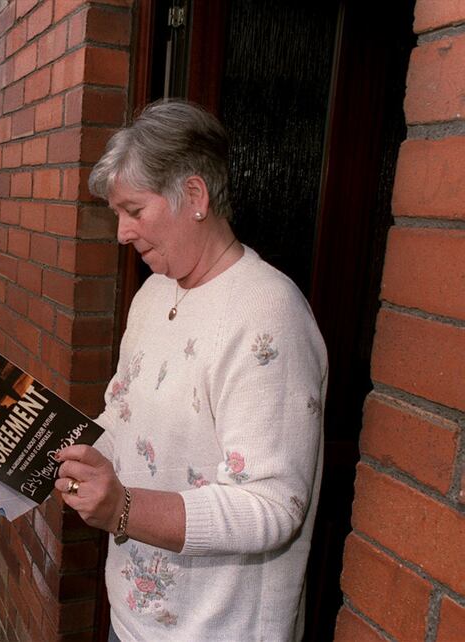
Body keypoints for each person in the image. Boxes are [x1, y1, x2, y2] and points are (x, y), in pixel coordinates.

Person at [54, 100, 328, 641]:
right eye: (117, 215)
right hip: (132, 620)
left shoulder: (269, 315)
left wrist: (124, 509)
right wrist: (45, 452)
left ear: (196, 197)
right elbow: (124, 415)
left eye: (134, 210)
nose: (121, 234)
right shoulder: (154, 294)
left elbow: (272, 507)